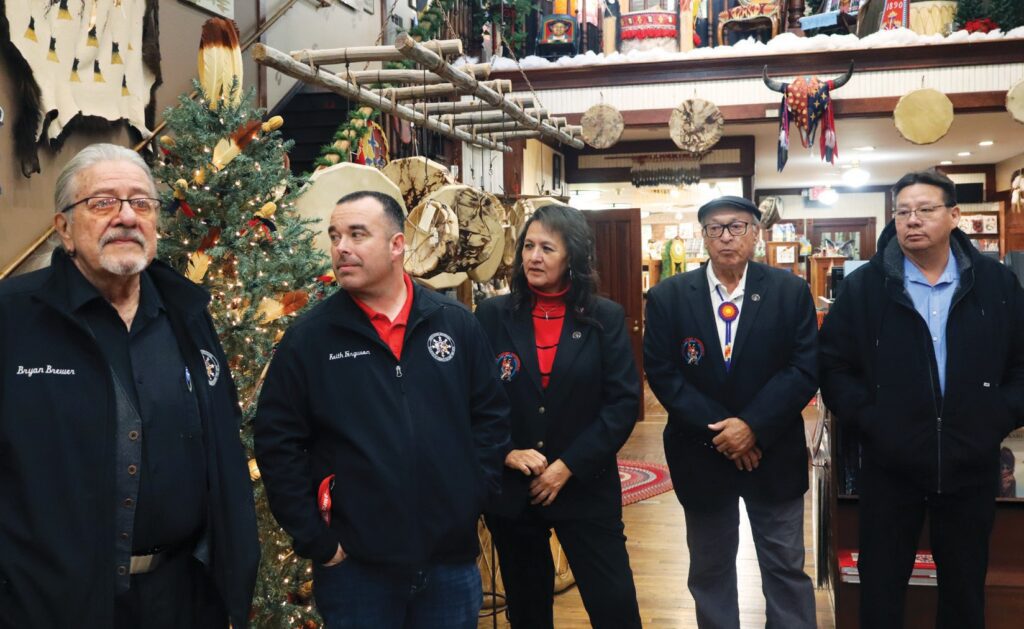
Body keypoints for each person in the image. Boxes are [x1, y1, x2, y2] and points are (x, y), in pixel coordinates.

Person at [0, 143, 259, 628]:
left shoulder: (187, 315)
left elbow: (223, 445)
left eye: (141, 203)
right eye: (102, 203)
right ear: (64, 229)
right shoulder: (13, 317)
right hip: (50, 604)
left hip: (181, 599)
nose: (126, 217)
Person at [254, 190, 510, 628]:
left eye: (357, 234)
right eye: (335, 236)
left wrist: (472, 497)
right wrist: (319, 541)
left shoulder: (454, 324)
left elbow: (490, 419)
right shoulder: (311, 339)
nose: (342, 248)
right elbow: (276, 443)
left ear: (397, 245)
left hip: (450, 565)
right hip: (356, 570)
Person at [819, 169, 1024, 629]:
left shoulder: (996, 284)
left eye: (925, 210)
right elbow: (833, 367)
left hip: (970, 461)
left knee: (965, 588)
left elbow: (1020, 365)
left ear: (955, 216)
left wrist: (998, 416)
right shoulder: (865, 287)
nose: (913, 220)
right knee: (881, 588)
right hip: (889, 464)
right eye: (903, 211)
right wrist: (872, 421)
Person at [644, 195, 818, 628]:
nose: (726, 236)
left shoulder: (789, 291)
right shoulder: (668, 297)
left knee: (785, 569)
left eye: (737, 226)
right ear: (702, 236)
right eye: (715, 228)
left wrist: (753, 427)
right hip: (701, 455)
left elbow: (804, 368)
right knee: (710, 571)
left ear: (756, 234)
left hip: (773, 452)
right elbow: (663, 375)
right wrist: (727, 434)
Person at [475, 204, 642, 629]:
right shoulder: (492, 316)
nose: (533, 256)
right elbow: (471, 399)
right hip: (515, 495)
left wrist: (568, 465)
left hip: (585, 487)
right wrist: (505, 452)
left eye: (547, 248)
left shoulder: (604, 317)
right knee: (528, 612)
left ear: (574, 257)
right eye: (528, 246)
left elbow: (622, 403)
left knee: (615, 605)